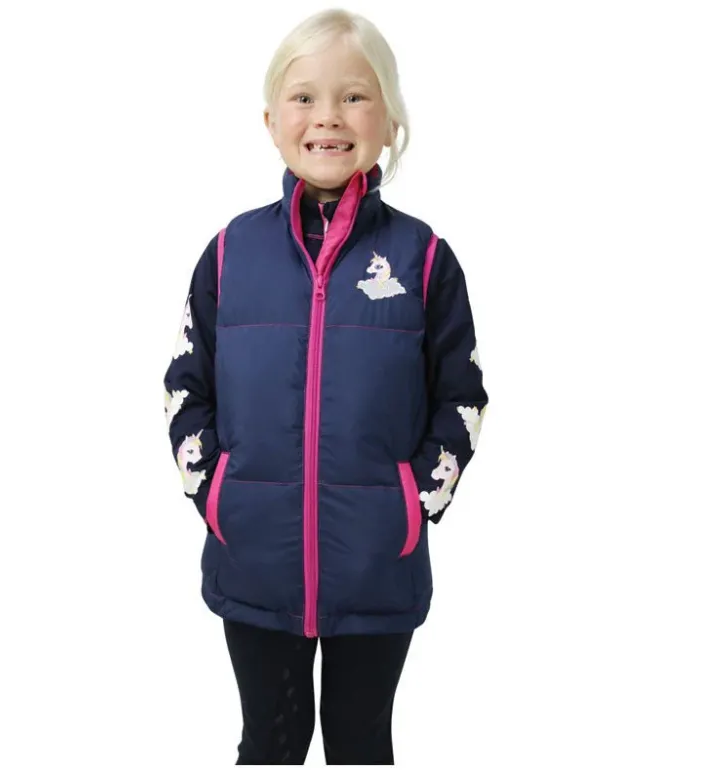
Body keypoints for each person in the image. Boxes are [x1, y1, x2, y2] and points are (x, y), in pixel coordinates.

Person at [163, 8, 489, 765]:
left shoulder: (423, 259)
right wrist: (217, 494)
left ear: (389, 121)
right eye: (305, 96)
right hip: (255, 556)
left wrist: (414, 503)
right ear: (271, 120)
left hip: (378, 562)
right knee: (270, 742)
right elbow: (185, 384)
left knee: (361, 743)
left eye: (355, 96)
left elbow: (463, 396)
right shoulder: (230, 254)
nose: (328, 116)